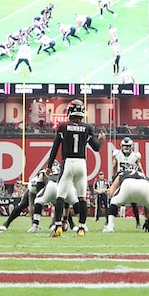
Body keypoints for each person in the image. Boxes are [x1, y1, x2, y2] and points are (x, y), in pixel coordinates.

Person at [42, 99, 105, 237]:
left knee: (60, 196)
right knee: (82, 197)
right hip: (81, 163)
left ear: (70, 111)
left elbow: (55, 148)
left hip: (68, 162)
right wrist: (102, 139)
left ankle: (58, 226)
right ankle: (81, 228)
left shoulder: (63, 126)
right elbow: (96, 147)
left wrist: (49, 166)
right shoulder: (87, 128)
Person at [104, 161, 149, 233]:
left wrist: (112, 193)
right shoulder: (142, 175)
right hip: (144, 184)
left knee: (114, 201)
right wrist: (147, 219)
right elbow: (146, 205)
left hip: (128, 184)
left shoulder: (122, 173)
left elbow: (111, 192)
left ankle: (110, 226)